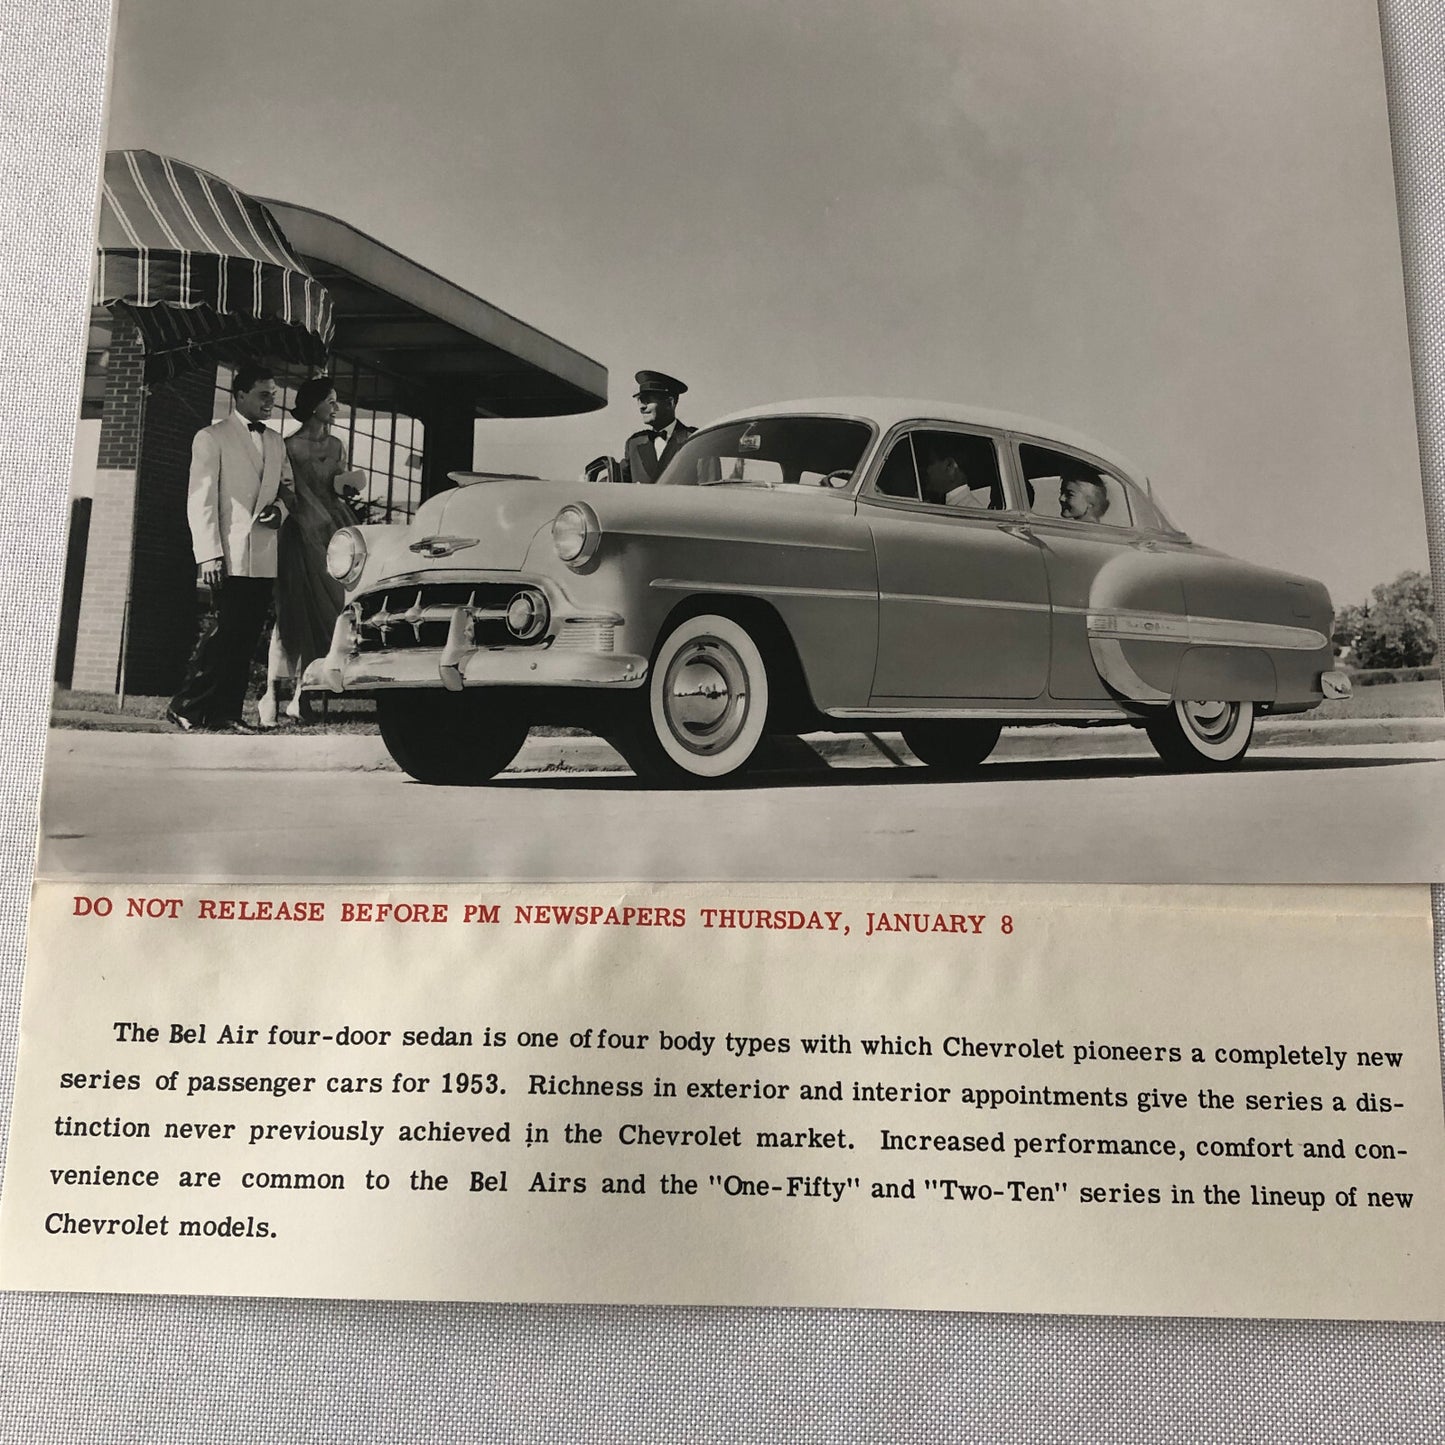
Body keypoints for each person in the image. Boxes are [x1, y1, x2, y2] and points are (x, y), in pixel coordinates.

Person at [167, 365, 291, 732]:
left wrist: (280, 512)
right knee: (225, 631)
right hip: (227, 554)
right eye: (263, 394)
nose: (271, 401)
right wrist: (208, 553)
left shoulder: (276, 441)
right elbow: (200, 499)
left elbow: (288, 489)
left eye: (274, 394)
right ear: (240, 395)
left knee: (245, 636)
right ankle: (186, 705)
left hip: (264, 554)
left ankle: (225, 713)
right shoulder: (211, 437)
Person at [258, 376, 367, 726]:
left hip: (332, 532)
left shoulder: (337, 444)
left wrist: (348, 486)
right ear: (315, 405)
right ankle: (272, 695)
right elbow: (288, 490)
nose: (336, 407)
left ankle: (303, 694)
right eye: (331, 401)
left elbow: (337, 486)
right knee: (292, 613)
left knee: (331, 611)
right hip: (298, 534)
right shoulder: (289, 446)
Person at [618, 370, 695, 483]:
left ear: (670, 403)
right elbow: (618, 484)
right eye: (640, 400)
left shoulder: (695, 440)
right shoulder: (634, 444)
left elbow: (711, 490)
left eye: (647, 400)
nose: (641, 407)